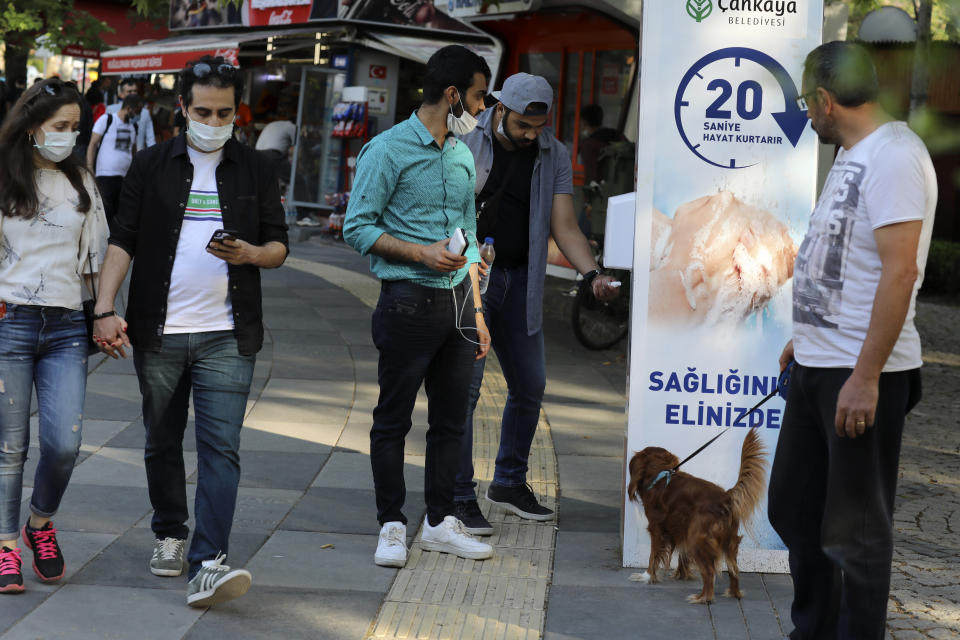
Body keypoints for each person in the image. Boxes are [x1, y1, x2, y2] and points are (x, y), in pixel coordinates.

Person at [92, 56, 289, 607]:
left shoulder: (256, 168)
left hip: (229, 332)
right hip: (159, 330)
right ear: (183, 108)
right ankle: (170, 532)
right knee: (161, 439)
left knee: (221, 448)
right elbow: (123, 238)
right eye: (202, 110)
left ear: (238, 112)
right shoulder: (151, 164)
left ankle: (209, 561)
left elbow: (279, 245)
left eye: (224, 112)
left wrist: (251, 252)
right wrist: (105, 307)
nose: (213, 120)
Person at [767, 41, 936, 640]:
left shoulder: (895, 158)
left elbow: (900, 272)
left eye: (807, 105)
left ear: (825, 100)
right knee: (792, 506)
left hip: (864, 375)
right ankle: (812, 631)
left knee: (856, 533)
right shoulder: (854, 152)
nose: (806, 116)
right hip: (820, 360)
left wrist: (866, 377)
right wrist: (804, 336)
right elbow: (844, 259)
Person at [342, 44, 495, 569]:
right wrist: (418, 253)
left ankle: (438, 522)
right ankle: (391, 525)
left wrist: (477, 311)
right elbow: (356, 227)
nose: (482, 108)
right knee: (393, 420)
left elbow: (470, 237)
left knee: (452, 421)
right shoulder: (387, 150)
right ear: (452, 94)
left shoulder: (460, 153)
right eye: (477, 96)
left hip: (457, 306)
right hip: (406, 301)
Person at [453, 73, 619, 534]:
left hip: (522, 279)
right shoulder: (465, 139)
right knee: (465, 392)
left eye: (538, 127)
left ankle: (507, 481)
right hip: (471, 278)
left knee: (531, 384)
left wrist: (592, 275)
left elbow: (563, 225)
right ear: (501, 108)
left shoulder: (553, 152)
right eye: (524, 126)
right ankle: (459, 496)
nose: (531, 135)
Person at [0, 78, 109, 594]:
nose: (69, 136)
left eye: (75, 127)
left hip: (66, 326)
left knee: (64, 443)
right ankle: (3, 548)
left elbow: (96, 259)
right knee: (9, 447)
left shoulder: (83, 183)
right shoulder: (3, 177)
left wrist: (105, 314)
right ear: (32, 128)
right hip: (8, 322)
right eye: (59, 127)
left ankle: (39, 523)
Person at [86, 94, 144, 231]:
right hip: (105, 176)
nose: (138, 116)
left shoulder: (133, 126)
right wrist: (89, 167)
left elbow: (134, 151)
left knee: (120, 215)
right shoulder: (107, 120)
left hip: (124, 178)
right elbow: (92, 144)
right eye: (137, 112)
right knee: (105, 213)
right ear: (129, 108)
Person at [105, 77, 157, 151]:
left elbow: (150, 139)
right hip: (114, 155)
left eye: (135, 91)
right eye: (129, 92)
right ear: (121, 94)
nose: (133, 94)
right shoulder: (111, 110)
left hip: (137, 156)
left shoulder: (145, 113)